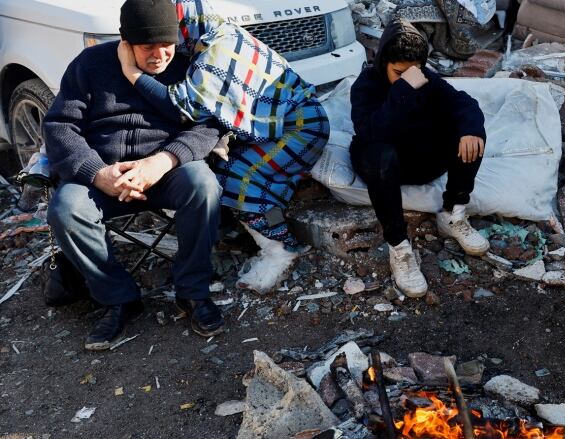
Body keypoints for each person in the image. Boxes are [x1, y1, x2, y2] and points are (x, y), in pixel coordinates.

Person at [43, 0, 226, 350]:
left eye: (166, 46)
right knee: (66, 210)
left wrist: (164, 161)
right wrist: (97, 173)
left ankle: (192, 292)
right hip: (102, 175)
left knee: (203, 184)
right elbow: (60, 127)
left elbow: (210, 125)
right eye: (147, 48)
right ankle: (118, 298)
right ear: (125, 42)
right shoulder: (90, 64)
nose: (159, 56)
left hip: (165, 172)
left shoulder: (190, 66)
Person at [118, 0, 330, 294]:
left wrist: (132, 73)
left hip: (299, 128)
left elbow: (182, 106)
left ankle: (280, 250)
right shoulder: (207, 38)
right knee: (221, 169)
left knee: (240, 181)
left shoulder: (217, 51)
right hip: (281, 125)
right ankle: (244, 236)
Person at [349, 18, 489, 298]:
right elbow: (374, 131)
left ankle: (452, 214)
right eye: (397, 72)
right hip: (381, 161)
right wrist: (403, 89)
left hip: (420, 158)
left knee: (469, 131)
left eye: (412, 72)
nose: (407, 78)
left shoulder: (424, 75)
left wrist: (470, 129)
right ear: (383, 64)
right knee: (381, 155)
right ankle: (399, 248)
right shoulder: (366, 85)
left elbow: (463, 103)